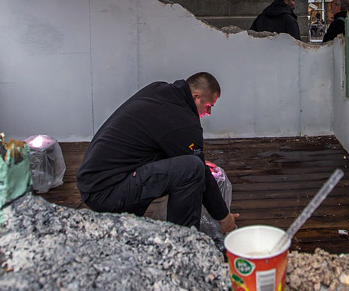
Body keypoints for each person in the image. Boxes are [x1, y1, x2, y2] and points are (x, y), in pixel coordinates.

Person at [76, 72, 238, 233]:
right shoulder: (183, 120)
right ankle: (184, 241)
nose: (208, 113)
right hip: (106, 193)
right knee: (192, 169)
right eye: (208, 106)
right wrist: (224, 217)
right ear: (195, 97)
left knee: (190, 164)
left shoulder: (159, 91)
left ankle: (132, 220)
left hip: (93, 182)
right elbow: (199, 171)